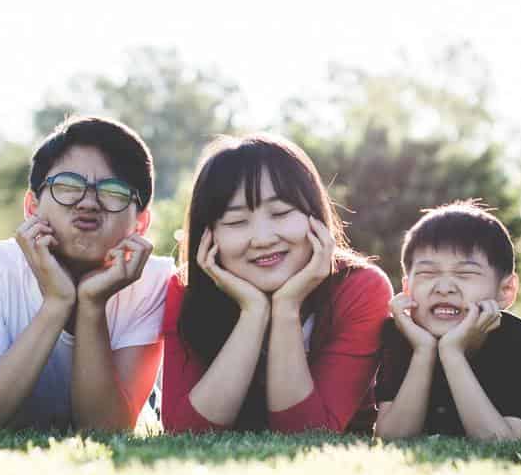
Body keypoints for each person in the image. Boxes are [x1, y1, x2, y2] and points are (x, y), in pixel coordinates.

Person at [0, 116, 173, 432]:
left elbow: (107, 430)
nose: (88, 203)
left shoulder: (153, 280)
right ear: (32, 206)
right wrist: (56, 303)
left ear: (141, 222)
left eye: (113, 191)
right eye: (67, 186)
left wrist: (91, 303)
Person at [161, 134, 392, 434]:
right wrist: (253, 312)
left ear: (315, 215)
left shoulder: (360, 289)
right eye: (236, 222)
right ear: (208, 236)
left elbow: (307, 432)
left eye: (281, 213)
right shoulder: (185, 290)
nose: (263, 239)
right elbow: (186, 431)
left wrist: (286, 307)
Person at [374, 201, 521, 440]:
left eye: (465, 274)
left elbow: (500, 442)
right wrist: (423, 351)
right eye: (428, 274)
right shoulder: (400, 334)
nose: (444, 288)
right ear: (407, 287)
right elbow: (392, 437)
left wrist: (452, 352)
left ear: (506, 290)